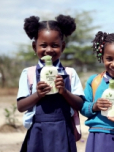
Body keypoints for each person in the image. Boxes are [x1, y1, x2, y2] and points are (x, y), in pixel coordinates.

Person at [17, 14, 85, 152]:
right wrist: (38, 94)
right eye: (43, 45)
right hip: (38, 131)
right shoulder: (28, 73)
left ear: (63, 46)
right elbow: (21, 106)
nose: (49, 50)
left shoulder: (70, 73)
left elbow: (80, 104)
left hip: (63, 130)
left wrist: (64, 92)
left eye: (55, 45)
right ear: (34, 47)